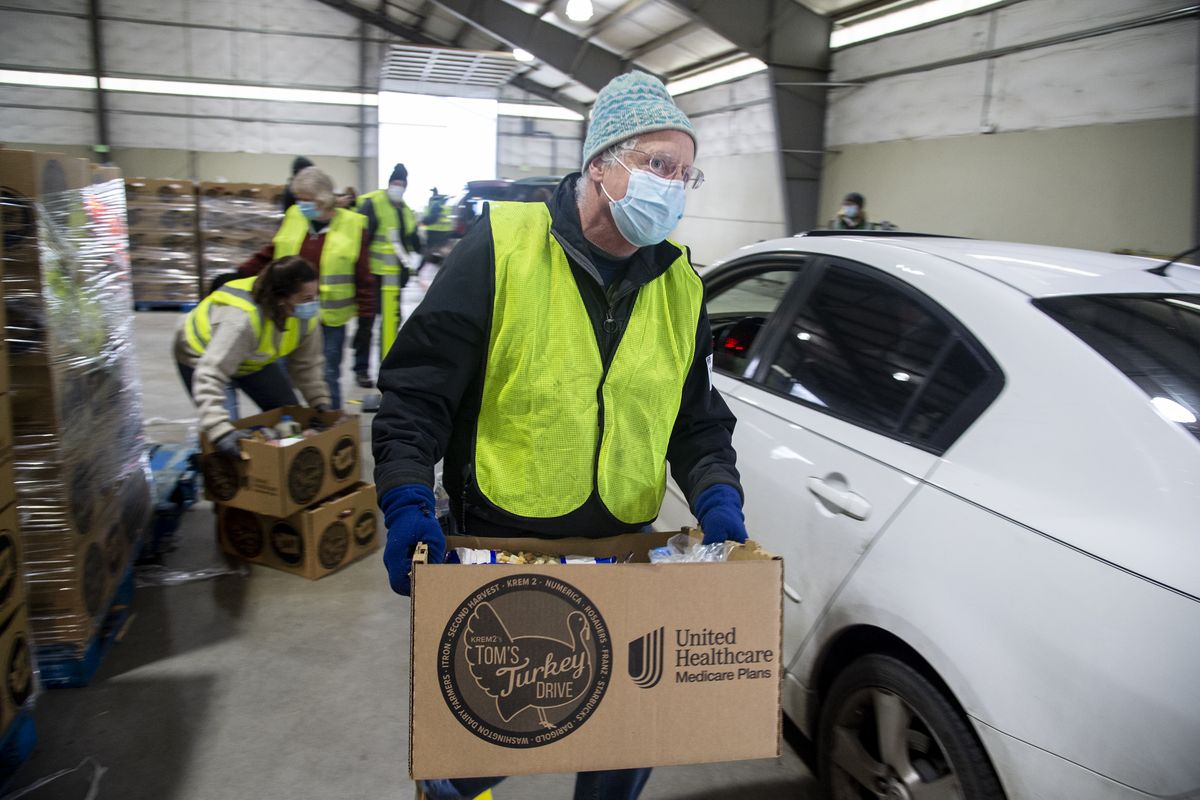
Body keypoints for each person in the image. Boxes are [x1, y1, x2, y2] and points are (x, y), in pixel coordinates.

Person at [372, 71, 746, 800]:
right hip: (503, 551)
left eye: (685, 172)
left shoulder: (681, 286)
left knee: (622, 736)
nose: (673, 185)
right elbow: (418, 394)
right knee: (486, 733)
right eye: (657, 165)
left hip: (623, 551)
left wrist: (719, 495)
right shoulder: (502, 248)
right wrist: (408, 503)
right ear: (601, 163)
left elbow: (694, 418)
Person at [239, 166, 373, 410]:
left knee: (326, 374)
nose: (301, 204)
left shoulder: (353, 225)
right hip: (288, 310)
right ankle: (284, 427)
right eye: (298, 199)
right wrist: (239, 272)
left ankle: (329, 427)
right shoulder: (294, 216)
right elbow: (273, 253)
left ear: (322, 199)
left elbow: (363, 276)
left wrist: (366, 320)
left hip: (328, 319)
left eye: (306, 200)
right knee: (278, 371)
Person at [174, 256, 330, 456]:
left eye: (315, 296)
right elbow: (210, 374)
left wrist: (320, 403)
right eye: (306, 299)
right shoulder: (242, 320)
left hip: (252, 358)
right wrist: (219, 430)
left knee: (290, 417)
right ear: (282, 298)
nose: (312, 304)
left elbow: (307, 366)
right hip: (199, 354)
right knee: (225, 439)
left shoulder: (304, 318)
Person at [353, 164, 421, 388]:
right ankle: (361, 368)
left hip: (393, 279)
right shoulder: (373, 204)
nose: (398, 188)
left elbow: (410, 240)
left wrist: (419, 254)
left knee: (392, 322)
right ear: (389, 183)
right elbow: (360, 240)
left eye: (402, 185)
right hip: (372, 275)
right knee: (367, 321)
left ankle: (387, 364)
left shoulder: (405, 210)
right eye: (396, 183)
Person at [419, 188, 454, 264]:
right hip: (444, 232)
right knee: (444, 252)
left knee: (429, 251)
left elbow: (432, 218)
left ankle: (418, 269)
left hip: (434, 232)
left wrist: (424, 222)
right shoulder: (444, 207)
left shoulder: (434, 205)